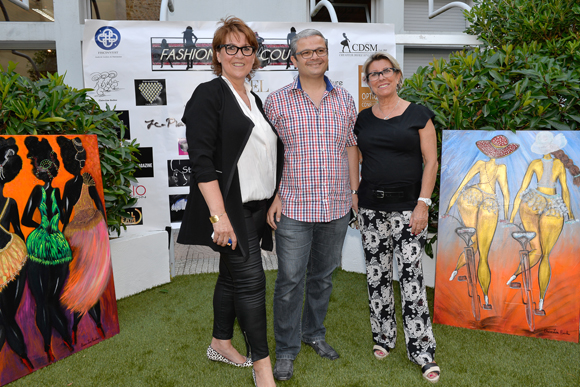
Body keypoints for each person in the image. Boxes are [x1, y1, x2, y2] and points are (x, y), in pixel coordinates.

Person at [176, 16, 282, 387]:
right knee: (252, 283)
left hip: (256, 207)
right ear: (218, 54)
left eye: (246, 48)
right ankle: (262, 366)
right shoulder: (210, 94)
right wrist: (219, 217)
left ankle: (221, 340)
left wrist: (275, 198)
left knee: (230, 278)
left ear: (255, 55)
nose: (239, 54)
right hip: (231, 211)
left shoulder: (254, 99)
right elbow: (201, 162)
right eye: (230, 47)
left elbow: (265, 157)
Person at [264, 29, 359, 381]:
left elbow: (351, 147)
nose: (314, 56)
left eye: (320, 50)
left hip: (335, 206)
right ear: (294, 59)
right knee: (289, 281)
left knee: (322, 278)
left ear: (327, 55)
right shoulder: (276, 101)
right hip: (293, 208)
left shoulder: (345, 99)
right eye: (306, 52)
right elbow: (268, 154)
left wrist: (354, 192)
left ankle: (314, 334)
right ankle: (286, 350)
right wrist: (275, 194)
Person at [354, 52, 440, 383]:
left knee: (411, 279)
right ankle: (383, 337)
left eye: (386, 71)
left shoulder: (418, 114)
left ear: (398, 75)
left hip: (408, 210)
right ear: (369, 82)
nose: (380, 78)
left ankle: (421, 349)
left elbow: (430, 162)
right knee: (376, 277)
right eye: (373, 74)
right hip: (371, 209)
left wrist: (422, 204)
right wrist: (353, 194)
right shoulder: (362, 119)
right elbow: (357, 157)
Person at [445, 134, 520, 309]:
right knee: (483, 254)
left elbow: (461, 185)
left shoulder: (479, 164)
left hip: (472, 195)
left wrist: (448, 209)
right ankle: (485, 297)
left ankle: (456, 270)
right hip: (489, 201)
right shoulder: (501, 168)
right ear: (502, 153)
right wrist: (507, 217)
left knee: (473, 243)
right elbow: (506, 193)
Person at [507, 132, 578, 313]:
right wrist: (569, 214)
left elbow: (523, 190)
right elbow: (564, 192)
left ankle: (515, 278)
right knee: (542, 254)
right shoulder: (553, 165)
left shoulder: (538, 164)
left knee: (539, 252)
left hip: (535, 202)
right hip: (544, 204)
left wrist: (511, 215)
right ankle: (539, 300)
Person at [22, 136, 73, 362]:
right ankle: (63, 342)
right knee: (51, 300)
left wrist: (40, 227)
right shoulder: (57, 193)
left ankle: (49, 347)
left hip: (42, 246)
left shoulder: (38, 192)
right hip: (57, 244)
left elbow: (25, 219)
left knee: (45, 301)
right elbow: (63, 217)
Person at [57, 136, 112, 345]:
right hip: (92, 236)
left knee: (83, 282)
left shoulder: (76, 184)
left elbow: (64, 215)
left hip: (85, 238)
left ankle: (80, 328)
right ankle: (94, 327)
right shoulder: (83, 182)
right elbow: (97, 207)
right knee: (87, 282)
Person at [0, 137, 33, 371]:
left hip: (13, 258)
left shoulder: (11, 203)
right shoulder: (10, 202)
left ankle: (23, 357)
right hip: (15, 256)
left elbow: (19, 230)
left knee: (7, 314)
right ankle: (24, 356)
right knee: (6, 315)